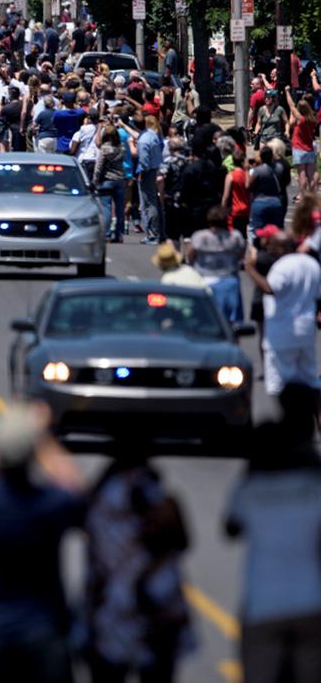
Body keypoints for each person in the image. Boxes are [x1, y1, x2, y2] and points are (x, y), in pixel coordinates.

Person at [0, 404, 85, 683]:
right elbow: (73, 487)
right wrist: (40, 437)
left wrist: (0, 435)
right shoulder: (48, 505)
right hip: (41, 630)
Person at [225, 384, 321, 683]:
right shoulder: (314, 487)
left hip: (263, 607)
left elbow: (230, 528)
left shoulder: (251, 492)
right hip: (311, 603)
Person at [85, 454, 195, 683]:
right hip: (124, 619)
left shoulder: (103, 508)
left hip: (129, 619)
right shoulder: (111, 509)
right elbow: (183, 541)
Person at [244, 229, 321, 396]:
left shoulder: (282, 266)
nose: (269, 250)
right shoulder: (312, 264)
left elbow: (270, 289)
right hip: (307, 331)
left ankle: (286, 419)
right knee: (310, 379)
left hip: (282, 331)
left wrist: (250, 269)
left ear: (281, 248)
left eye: (272, 246)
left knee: (278, 383)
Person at [187, 205, 245, 323]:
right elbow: (241, 254)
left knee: (202, 318)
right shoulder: (235, 236)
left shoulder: (200, 236)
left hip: (204, 279)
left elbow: (190, 255)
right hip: (229, 278)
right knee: (233, 323)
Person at [94, 123, 127, 242]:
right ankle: (119, 234)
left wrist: (95, 179)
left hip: (107, 179)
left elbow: (99, 166)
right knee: (119, 208)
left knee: (106, 207)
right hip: (119, 179)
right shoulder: (121, 147)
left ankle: (107, 234)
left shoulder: (104, 148)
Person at [137, 115, 165, 243]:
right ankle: (161, 232)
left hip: (148, 172)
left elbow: (144, 160)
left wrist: (142, 172)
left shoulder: (143, 140)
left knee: (149, 203)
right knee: (156, 202)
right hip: (157, 168)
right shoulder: (152, 134)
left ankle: (153, 234)